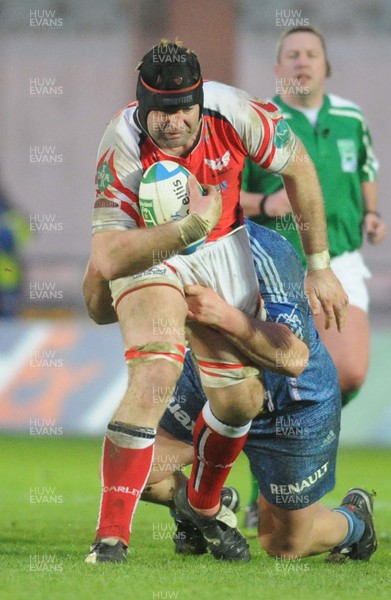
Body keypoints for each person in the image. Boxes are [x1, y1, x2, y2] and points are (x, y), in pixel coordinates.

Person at [84, 39, 347, 564]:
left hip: (223, 254)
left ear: (200, 102)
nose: (173, 122)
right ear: (142, 105)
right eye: (159, 110)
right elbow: (112, 255)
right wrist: (189, 227)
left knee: (238, 401)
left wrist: (319, 265)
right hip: (154, 249)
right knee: (154, 371)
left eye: (184, 109)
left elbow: (298, 167)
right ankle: (111, 540)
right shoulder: (122, 141)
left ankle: (205, 505)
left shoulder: (239, 113)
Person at [139, 220, 377, 563]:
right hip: (210, 380)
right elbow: (99, 302)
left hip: (293, 402)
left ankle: (355, 524)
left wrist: (223, 316)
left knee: (284, 546)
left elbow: (292, 358)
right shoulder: (155, 242)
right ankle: (204, 507)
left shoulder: (268, 249)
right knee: (136, 470)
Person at [240, 26, 387, 524]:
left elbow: (366, 166)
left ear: (327, 66)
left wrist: (372, 213)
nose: (302, 62)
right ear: (278, 68)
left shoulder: (350, 118)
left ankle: (282, 463)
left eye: (311, 55)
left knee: (348, 372)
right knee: (286, 375)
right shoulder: (258, 120)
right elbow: (217, 192)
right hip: (278, 266)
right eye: (292, 55)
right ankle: (277, 486)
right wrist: (264, 202)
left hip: (340, 260)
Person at [0, 187, 31, 317]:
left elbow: (27, 234)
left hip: (8, 276)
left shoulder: (11, 216)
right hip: (9, 275)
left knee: (9, 319)